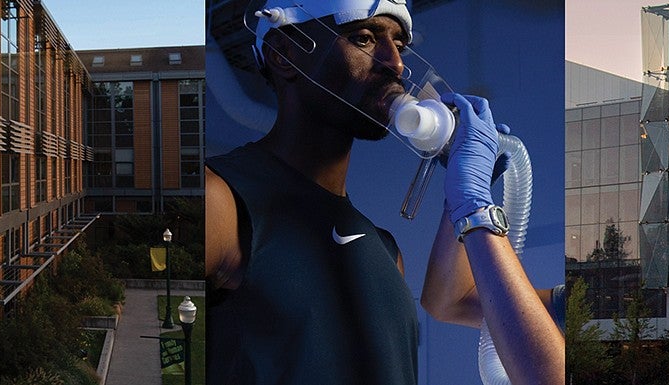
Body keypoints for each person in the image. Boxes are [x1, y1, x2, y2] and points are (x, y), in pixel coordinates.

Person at [205, 1, 565, 383]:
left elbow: (460, 303)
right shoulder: (222, 201)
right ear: (284, 54)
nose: (394, 64)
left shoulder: (385, 250)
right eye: (363, 38)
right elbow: (451, 299)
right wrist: (466, 202)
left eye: (400, 45)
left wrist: (470, 194)